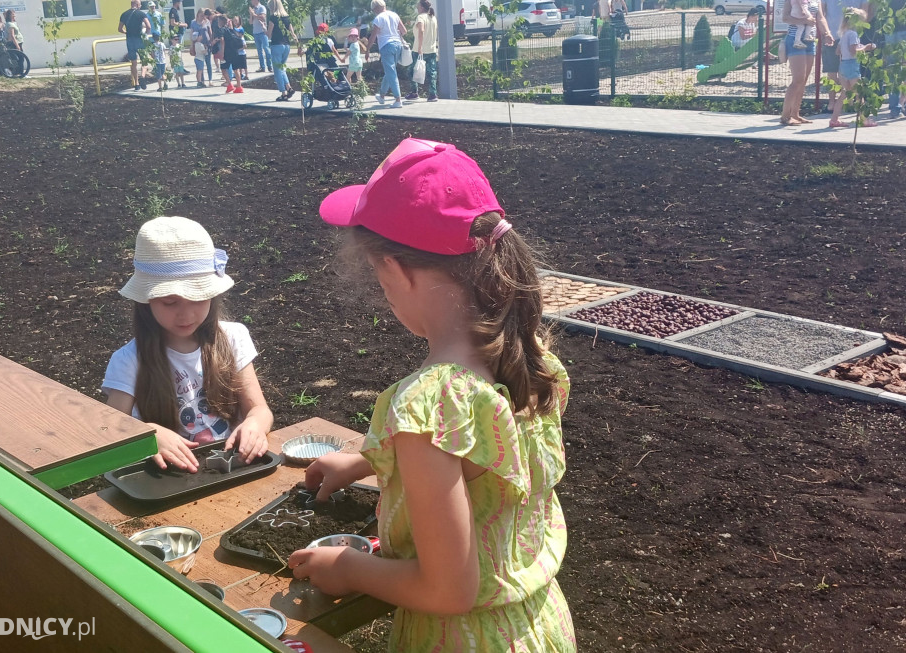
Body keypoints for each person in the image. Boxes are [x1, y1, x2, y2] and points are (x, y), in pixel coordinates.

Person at [288, 138, 576, 653]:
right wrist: (360, 463)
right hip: (539, 625)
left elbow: (447, 591)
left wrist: (349, 566)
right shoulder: (531, 357)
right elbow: (484, 461)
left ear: (395, 269)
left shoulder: (430, 405)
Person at [102, 216, 273, 472]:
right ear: (145, 301)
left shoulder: (233, 338)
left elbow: (259, 409)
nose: (186, 315)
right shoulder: (129, 360)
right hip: (167, 480)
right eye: (170, 303)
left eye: (198, 299)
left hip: (232, 468)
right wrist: (148, 434)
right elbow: (110, 429)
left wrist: (255, 424)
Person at [780, 0, 833, 125]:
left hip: (810, 40)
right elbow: (785, 17)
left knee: (803, 80)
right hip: (795, 39)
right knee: (798, 79)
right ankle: (785, 116)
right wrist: (803, 21)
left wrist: (827, 33)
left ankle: (795, 113)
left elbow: (820, 17)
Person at [829, 8, 878, 127]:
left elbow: (838, 51)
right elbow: (853, 51)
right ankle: (863, 119)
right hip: (852, 65)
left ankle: (834, 119)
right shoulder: (853, 34)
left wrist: (857, 47)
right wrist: (865, 47)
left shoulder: (844, 34)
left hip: (843, 65)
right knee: (859, 94)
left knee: (844, 94)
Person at [365, 0, 407, 108]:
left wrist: (367, 50)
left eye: (374, 10)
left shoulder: (378, 18)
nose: (374, 12)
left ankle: (398, 99)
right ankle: (382, 95)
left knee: (391, 72)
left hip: (386, 46)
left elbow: (373, 36)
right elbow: (404, 31)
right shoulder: (394, 15)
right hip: (397, 45)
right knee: (390, 71)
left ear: (376, 8)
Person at [266, 0, 302, 101]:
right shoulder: (287, 18)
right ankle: (289, 88)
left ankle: (283, 93)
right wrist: (298, 46)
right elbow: (293, 33)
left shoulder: (273, 18)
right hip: (287, 46)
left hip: (276, 45)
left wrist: (264, 29)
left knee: (278, 70)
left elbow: (269, 35)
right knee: (282, 69)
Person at [407, 0, 437, 101]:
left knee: (411, 70)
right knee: (431, 72)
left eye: (418, 6)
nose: (417, 8)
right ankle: (433, 94)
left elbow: (421, 30)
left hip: (419, 50)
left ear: (422, 7)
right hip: (432, 49)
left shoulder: (420, 17)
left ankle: (414, 92)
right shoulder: (433, 17)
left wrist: (419, 47)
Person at [120, 0, 153, 91]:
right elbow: (148, 26)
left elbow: (119, 28)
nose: (141, 5)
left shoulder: (124, 14)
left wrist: (127, 32)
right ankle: (142, 76)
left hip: (130, 40)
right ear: (137, 5)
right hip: (139, 39)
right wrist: (145, 34)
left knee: (133, 63)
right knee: (144, 61)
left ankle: (136, 84)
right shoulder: (141, 14)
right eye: (140, 4)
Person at [221, 15, 246, 92]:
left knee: (223, 69)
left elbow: (222, 41)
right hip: (235, 52)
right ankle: (239, 86)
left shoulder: (223, 30)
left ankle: (229, 84)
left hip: (227, 52)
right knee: (236, 69)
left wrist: (222, 53)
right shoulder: (234, 31)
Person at [190, 9, 214, 88]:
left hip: (206, 44)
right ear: (197, 15)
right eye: (201, 16)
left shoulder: (207, 22)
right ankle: (202, 81)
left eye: (203, 16)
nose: (202, 17)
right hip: (198, 45)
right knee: (200, 63)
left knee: (208, 62)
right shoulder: (193, 22)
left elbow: (210, 32)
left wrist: (211, 41)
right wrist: (192, 44)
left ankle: (210, 80)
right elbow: (191, 34)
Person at [249, 0, 273, 73]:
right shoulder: (253, 9)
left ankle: (270, 66)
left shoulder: (262, 7)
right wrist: (251, 14)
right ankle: (262, 67)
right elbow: (250, 22)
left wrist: (254, 14)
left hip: (263, 32)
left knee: (266, 49)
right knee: (259, 51)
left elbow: (262, 17)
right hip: (255, 32)